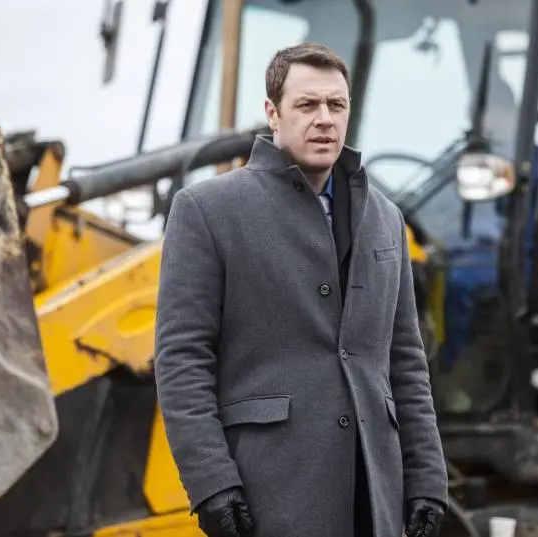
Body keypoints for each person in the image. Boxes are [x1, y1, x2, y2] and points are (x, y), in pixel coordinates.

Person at [154, 42, 448, 537]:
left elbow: (405, 361)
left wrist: (427, 478)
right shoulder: (206, 210)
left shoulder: (386, 218)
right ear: (273, 113)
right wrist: (211, 484)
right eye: (307, 104)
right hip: (269, 492)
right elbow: (182, 360)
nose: (324, 119)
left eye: (336, 105)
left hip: (373, 496)